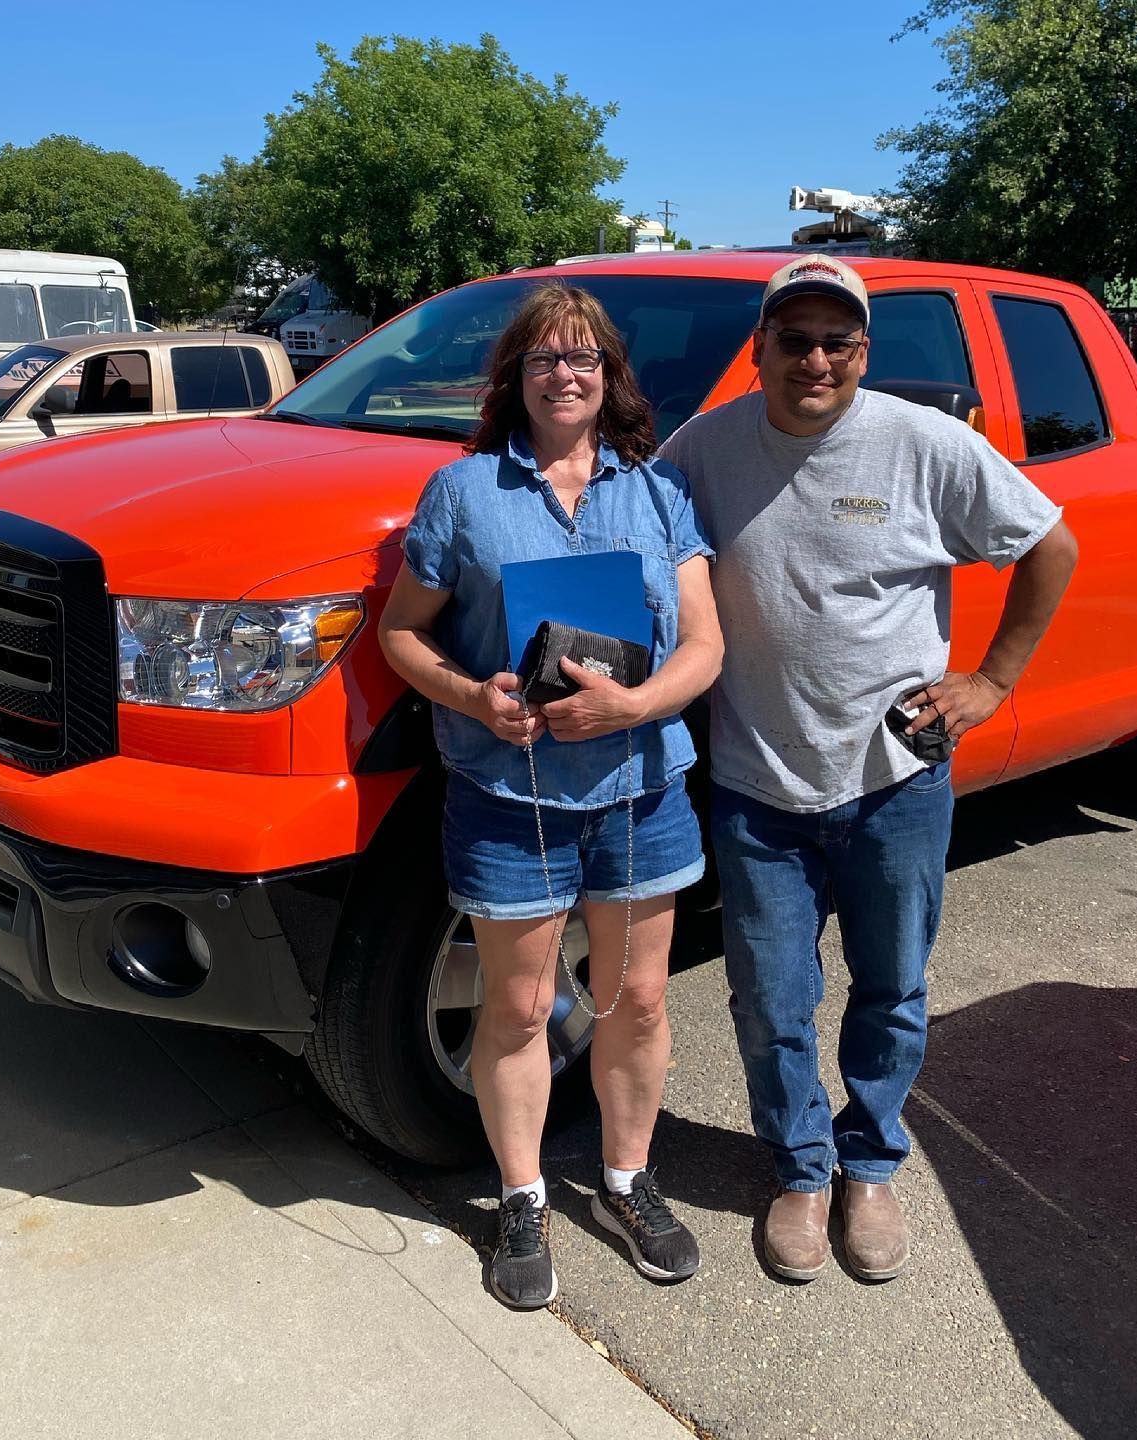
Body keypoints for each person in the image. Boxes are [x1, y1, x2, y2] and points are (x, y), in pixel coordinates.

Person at [659, 256, 1077, 1282]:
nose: (814, 358)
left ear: (863, 353)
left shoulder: (924, 444)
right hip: (759, 785)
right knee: (769, 997)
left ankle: (871, 1160)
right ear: (757, 351)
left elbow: (1051, 546)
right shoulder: (702, 449)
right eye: (793, 339)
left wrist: (993, 681)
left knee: (891, 986)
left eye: (836, 341)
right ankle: (801, 1170)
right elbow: (630, 540)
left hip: (895, 779)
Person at [380, 283, 724, 1309]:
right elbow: (403, 634)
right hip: (508, 795)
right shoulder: (465, 492)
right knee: (523, 1006)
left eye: (582, 358)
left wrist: (634, 705)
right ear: (515, 380)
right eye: (543, 359)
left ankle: (626, 1181)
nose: (564, 375)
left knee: (636, 999)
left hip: (639, 793)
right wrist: (474, 698)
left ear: (610, 376)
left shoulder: (660, 497)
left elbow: (705, 646)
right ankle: (523, 1196)